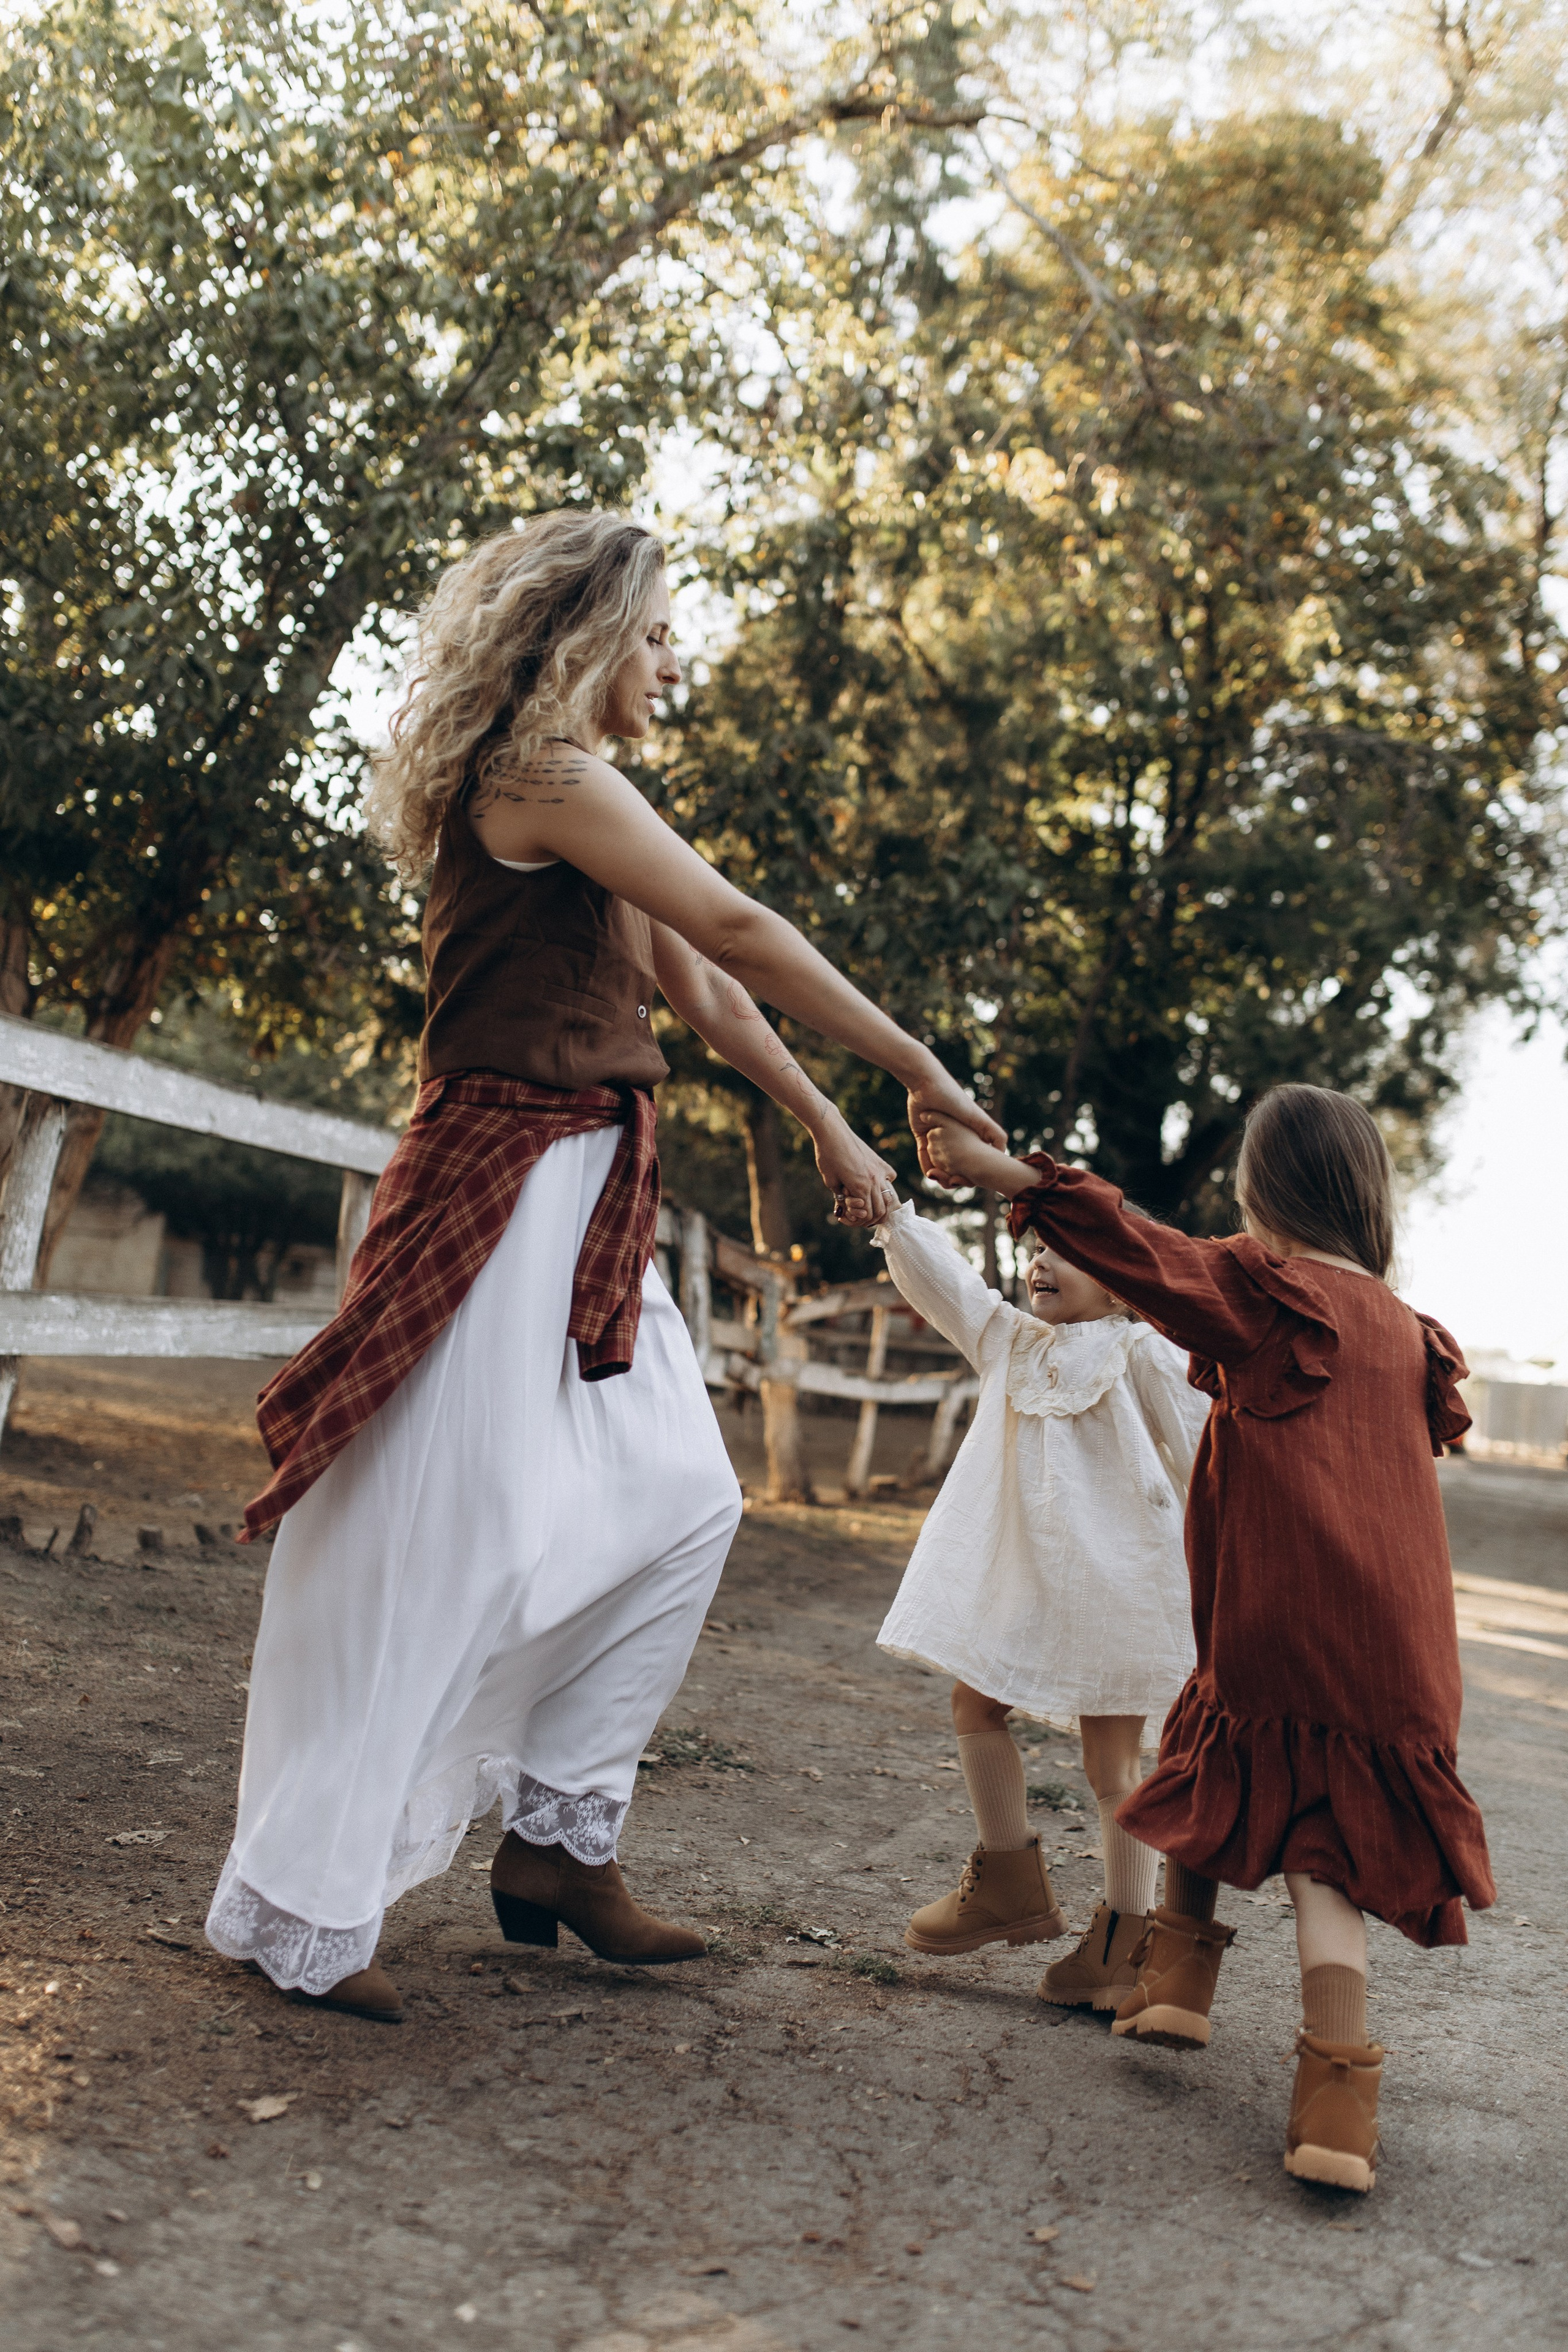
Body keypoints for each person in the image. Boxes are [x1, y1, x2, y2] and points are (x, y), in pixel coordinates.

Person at [205, 510, 1003, 2022]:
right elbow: (739, 927)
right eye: (655, 635)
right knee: (449, 1534)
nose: (673, 663)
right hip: (499, 1186)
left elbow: (706, 987)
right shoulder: (541, 782)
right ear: (585, 635)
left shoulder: (587, 797)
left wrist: (832, 1123)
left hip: (585, 1194)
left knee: (685, 1500)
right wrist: (921, 1069)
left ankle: (561, 1846)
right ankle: (306, 1897)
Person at [916, 1085, 1493, 2195]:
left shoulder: (1268, 1296)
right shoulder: (1411, 1334)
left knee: (1214, 1766)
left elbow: (1139, 1251)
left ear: (1260, 1193)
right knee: (1317, 1856)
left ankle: (1179, 1982)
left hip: (1272, 1625)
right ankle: (1331, 2102)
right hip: (1399, 1656)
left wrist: (1007, 1176)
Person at [870, 1196, 1208, 2000]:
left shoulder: (1143, 1352)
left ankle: (1125, 1941)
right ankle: (1010, 1882)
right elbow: (949, 1285)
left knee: (1112, 1765)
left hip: (1119, 1589)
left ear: (1120, 1276)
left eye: (1066, 1250)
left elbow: (1209, 1452)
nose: (1041, 1262)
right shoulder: (1011, 1341)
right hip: (1031, 1584)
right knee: (974, 1704)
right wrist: (893, 1219)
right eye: (1036, 1248)